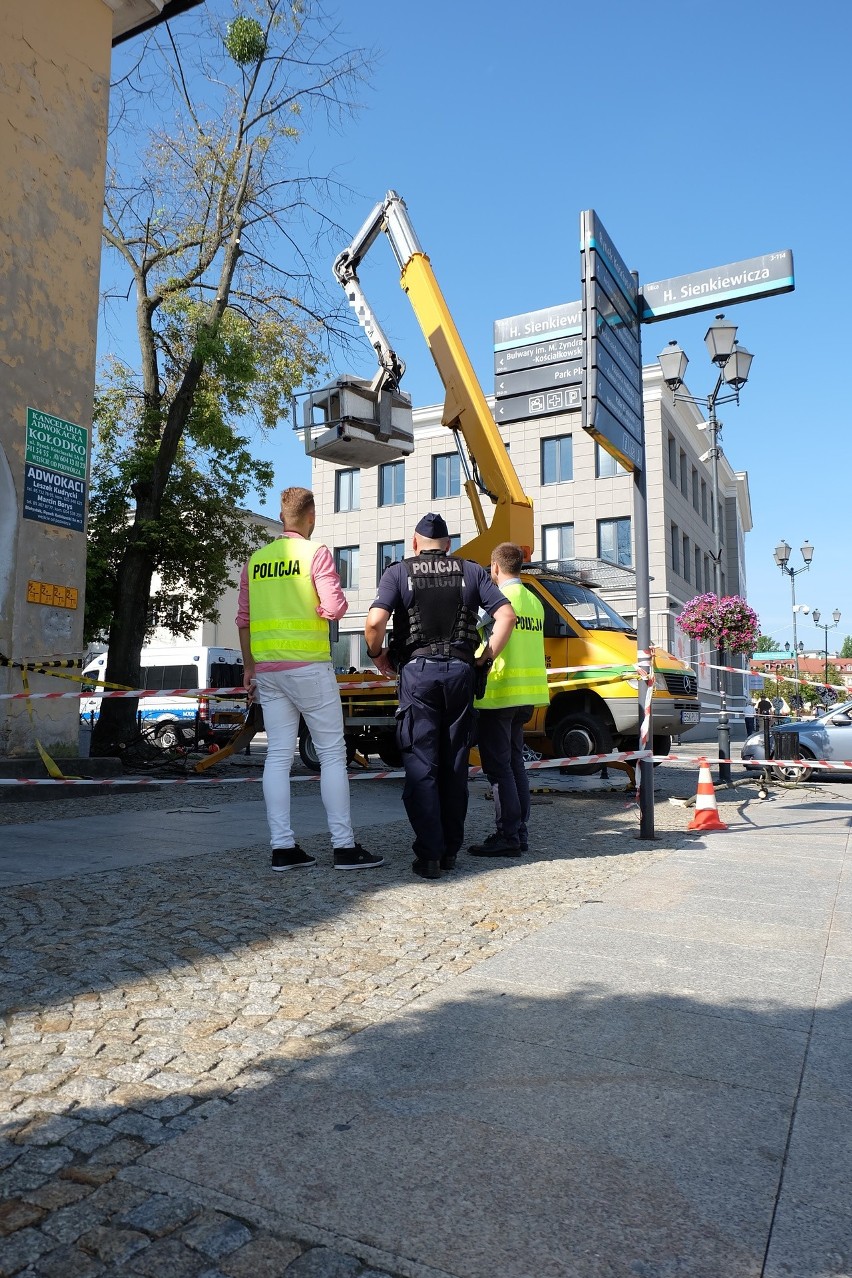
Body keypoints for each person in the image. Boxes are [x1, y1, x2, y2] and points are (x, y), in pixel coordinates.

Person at [236, 486, 382, 872]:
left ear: (283, 515)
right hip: (309, 668)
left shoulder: (255, 561)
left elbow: (244, 621)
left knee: (279, 757)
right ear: (311, 516)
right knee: (332, 754)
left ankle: (283, 847)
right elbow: (334, 608)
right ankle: (344, 846)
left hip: (268, 671)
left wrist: (250, 667)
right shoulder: (315, 553)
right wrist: (319, 606)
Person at [365, 512, 516, 881]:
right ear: (448, 544)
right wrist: (485, 658)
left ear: (414, 543)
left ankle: (429, 855)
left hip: (418, 675)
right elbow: (506, 616)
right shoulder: (472, 571)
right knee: (455, 765)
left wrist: (377, 655)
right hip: (461, 673)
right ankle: (449, 851)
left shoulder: (398, 572)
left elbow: (374, 622)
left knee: (422, 764)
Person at [467, 542, 549, 858]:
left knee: (499, 769)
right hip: (527, 696)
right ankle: (519, 833)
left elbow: (473, 632)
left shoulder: (499, 600)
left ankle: (509, 836)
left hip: (499, 694)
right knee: (515, 766)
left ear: (496, 568)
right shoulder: (534, 601)